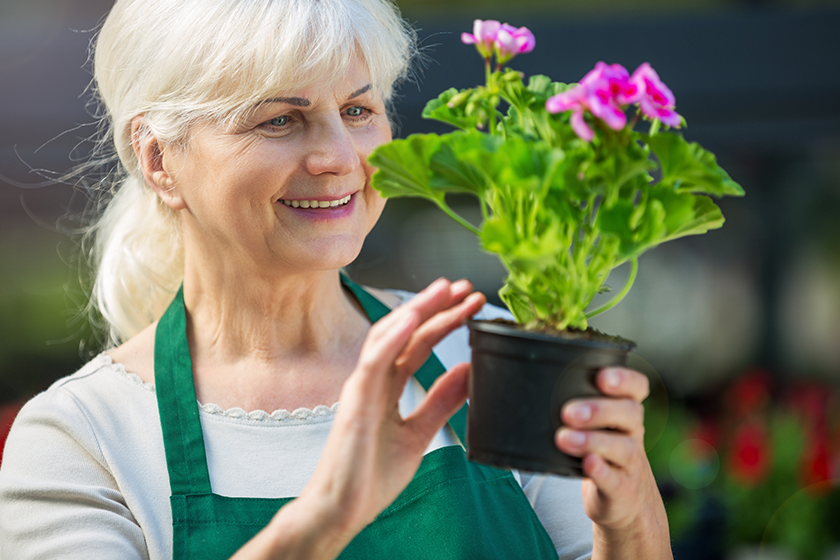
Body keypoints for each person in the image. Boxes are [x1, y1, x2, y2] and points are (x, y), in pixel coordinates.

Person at [0, 0, 672, 558]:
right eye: (280, 119)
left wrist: (629, 515)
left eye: (357, 110)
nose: (338, 158)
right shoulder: (83, 439)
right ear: (158, 160)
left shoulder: (486, 357)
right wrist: (326, 516)